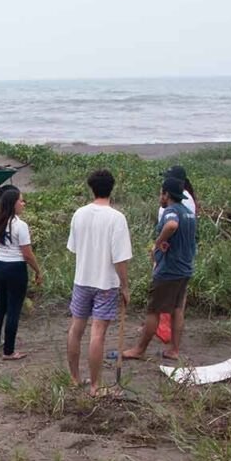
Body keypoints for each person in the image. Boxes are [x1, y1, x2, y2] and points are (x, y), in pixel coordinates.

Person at [66, 169, 133, 396]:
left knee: (76, 328)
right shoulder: (116, 218)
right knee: (97, 333)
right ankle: (95, 386)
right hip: (106, 283)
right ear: (112, 188)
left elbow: (74, 248)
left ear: (91, 188)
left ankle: (75, 378)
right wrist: (125, 286)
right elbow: (120, 259)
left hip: (82, 280)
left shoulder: (79, 214)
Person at [124, 177, 197, 361]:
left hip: (169, 270)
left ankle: (139, 350)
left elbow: (172, 225)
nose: (159, 197)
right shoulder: (189, 213)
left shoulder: (171, 211)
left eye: (161, 193)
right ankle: (174, 350)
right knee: (177, 309)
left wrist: (158, 243)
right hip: (185, 269)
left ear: (167, 194)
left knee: (153, 310)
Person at [0, 185, 43, 360]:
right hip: (15, 269)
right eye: (21, 200)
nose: (23, 203)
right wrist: (38, 270)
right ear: (13, 203)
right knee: (13, 309)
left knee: (0, 305)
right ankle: (9, 351)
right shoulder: (20, 225)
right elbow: (27, 254)